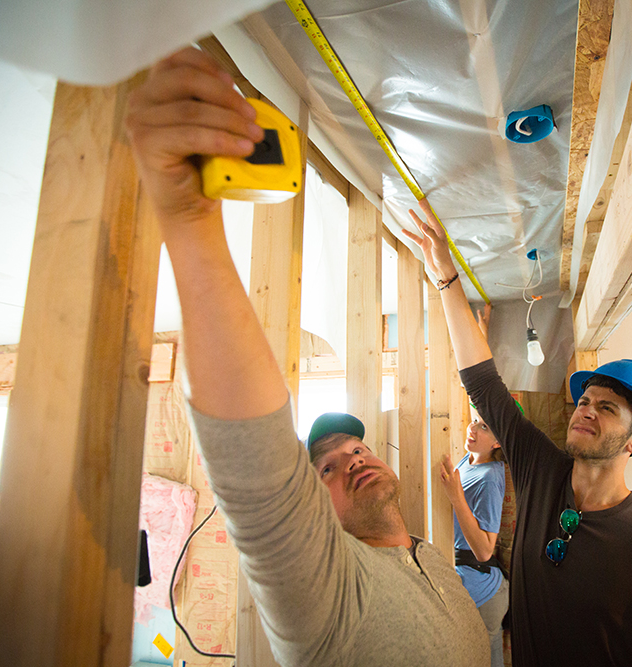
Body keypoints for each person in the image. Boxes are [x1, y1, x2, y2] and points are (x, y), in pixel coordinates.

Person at [125, 47, 488, 666]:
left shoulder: (432, 557)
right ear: (314, 511)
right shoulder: (325, 596)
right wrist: (188, 217)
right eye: (326, 470)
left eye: (354, 450)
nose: (352, 460)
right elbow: (258, 475)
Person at [406, 200, 632, 666]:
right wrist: (446, 277)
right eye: (585, 401)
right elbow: (483, 383)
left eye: (606, 408)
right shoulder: (540, 468)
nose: (585, 411)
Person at [439, 394, 509, 667]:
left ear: (497, 442)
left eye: (484, 427)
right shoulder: (465, 463)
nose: (473, 428)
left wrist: (456, 497)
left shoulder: (489, 477)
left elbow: (484, 550)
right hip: (467, 584)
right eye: (475, 421)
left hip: (483, 592)